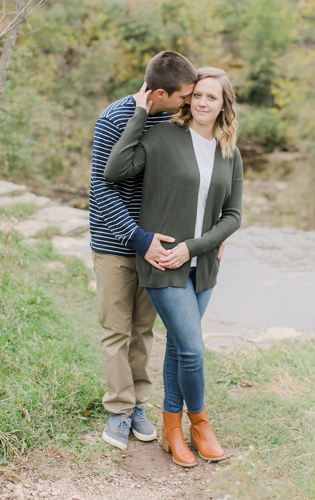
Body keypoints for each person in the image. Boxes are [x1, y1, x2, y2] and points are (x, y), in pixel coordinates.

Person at [104, 67, 243, 467]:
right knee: (193, 348)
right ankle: (199, 423)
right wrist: (141, 114)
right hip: (163, 262)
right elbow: (115, 171)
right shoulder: (162, 135)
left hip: (202, 266)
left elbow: (232, 216)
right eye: (196, 95)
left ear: (223, 105)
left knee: (181, 349)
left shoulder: (228, 149)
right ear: (188, 99)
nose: (201, 102)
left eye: (211, 97)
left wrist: (196, 247)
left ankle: (170, 429)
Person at [89, 51, 197, 450]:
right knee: (116, 329)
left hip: (159, 247)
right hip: (117, 244)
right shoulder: (114, 118)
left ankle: (139, 404)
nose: (190, 101)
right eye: (184, 95)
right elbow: (102, 189)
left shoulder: (176, 119)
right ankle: (119, 410)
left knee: (143, 330)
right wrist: (138, 238)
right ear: (159, 93)